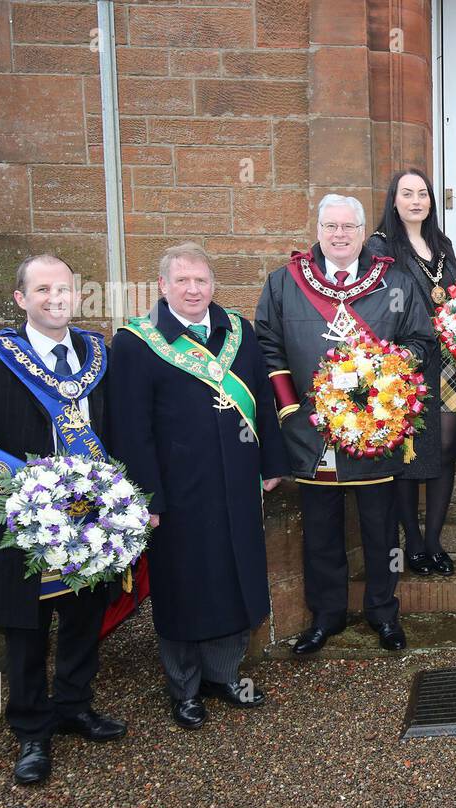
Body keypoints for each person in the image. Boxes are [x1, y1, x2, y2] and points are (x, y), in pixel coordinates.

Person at [0, 254, 126, 785]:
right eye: (42, 289)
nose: (56, 298)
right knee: (26, 627)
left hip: (92, 518)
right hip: (19, 518)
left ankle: (73, 705)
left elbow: (114, 429)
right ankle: (30, 729)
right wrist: (31, 488)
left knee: (82, 614)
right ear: (21, 299)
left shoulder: (99, 355)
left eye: (64, 289)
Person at [107, 243, 288, 729]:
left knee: (234, 577)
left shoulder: (238, 331)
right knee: (184, 586)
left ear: (213, 285)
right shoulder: (134, 342)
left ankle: (223, 675)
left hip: (237, 483)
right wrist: (146, 497)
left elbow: (263, 400)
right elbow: (130, 428)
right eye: (182, 281)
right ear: (162, 286)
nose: (193, 290)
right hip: (178, 492)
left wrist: (272, 461)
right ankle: (183, 687)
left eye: (202, 281)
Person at [255, 194, 435, 654]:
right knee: (321, 531)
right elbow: (268, 347)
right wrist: (291, 409)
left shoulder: (394, 281)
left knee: (380, 528)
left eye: (348, 227)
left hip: (377, 429)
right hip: (310, 430)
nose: (339, 235)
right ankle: (326, 615)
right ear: (318, 230)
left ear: (362, 232)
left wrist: (387, 378)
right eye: (331, 226)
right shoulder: (284, 283)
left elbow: (420, 341)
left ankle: (383, 613)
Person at [366, 169, 456, 577]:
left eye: (422, 194)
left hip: (450, 359)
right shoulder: (380, 247)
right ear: (393, 200)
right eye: (407, 194)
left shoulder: (442, 244)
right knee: (406, 451)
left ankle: (435, 539)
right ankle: (413, 541)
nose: (415, 201)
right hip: (407, 358)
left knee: (444, 449)